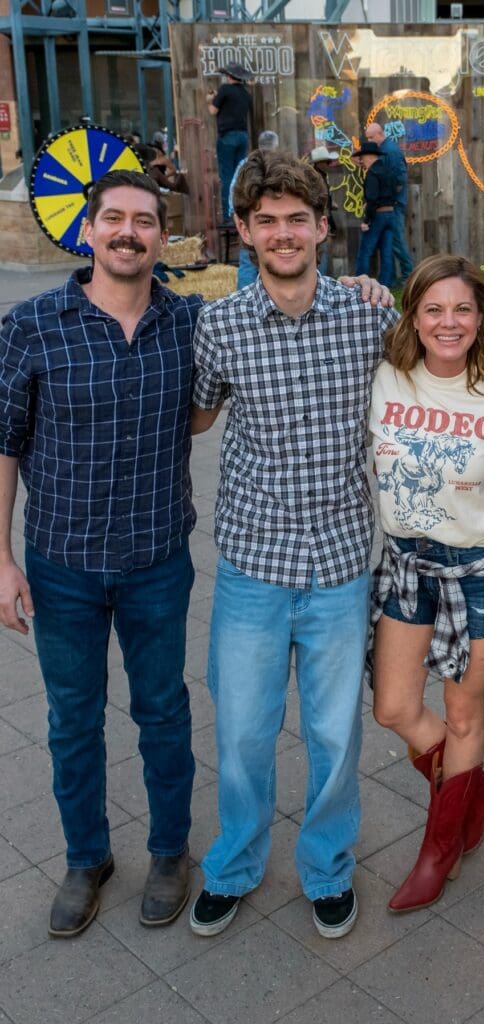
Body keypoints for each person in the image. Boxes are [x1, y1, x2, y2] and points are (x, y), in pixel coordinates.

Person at [188, 150, 398, 941]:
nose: (282, 234)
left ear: (320, 228)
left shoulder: (369, 316)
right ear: (244, 232)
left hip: (341, 562)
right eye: (265, 221)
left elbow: (437, 381)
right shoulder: (221, 325)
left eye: (296, 220)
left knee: (335, 733)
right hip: (253, 564)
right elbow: (198, 417)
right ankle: (235, 864)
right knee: (242, 730)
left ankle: (327, 868)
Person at [0, 170, 201, 937]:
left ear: (160, 236)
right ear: (87, 232)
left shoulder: (187, 323)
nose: (127, 231)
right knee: (72, 719)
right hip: (62, 563)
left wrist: (365, 287)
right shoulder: (33, 325)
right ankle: (87, 858)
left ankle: (168, 851)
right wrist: (1, 559)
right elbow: (4, 443)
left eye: (143, 221)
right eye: (112, 218)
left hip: (156, 558)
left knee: (163, 712)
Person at [369, 254, 484, 913]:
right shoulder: (384, 375)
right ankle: (477, 794)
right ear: (412, 315)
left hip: (483, 571)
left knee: (464, 714)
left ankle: (439, 850)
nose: (448, 321)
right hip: (408, 563)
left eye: (462, 309)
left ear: (480, 317)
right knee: (394, 708)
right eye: (433, 308)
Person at [229, 130, 280, 288]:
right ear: (276, 145)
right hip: (273, 220)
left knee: (248, 261)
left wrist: (237, 217)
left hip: (249, 219)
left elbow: (232, 192)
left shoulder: (244, 164)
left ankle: (244, 306)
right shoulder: (278, 165)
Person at [365, 120, 414, 282]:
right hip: (389, 205)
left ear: (380, 134)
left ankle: (409, 275)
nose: (369, 141)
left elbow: (400, 179)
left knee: (397, 242)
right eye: (368, 138)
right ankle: (391, 279)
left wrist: (390, 201)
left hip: (393, 206)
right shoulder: (384, 150)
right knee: (388, 242)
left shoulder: (390, 151)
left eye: (371, 137)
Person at [207, 62, 253, 220]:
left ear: (228, 76)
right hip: (243, 135)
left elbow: (213, 110)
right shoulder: (246, 94)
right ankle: (241, 212)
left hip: (228, 136)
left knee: (226, 176)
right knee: (239, 175)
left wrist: (211, 99)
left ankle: (228, 215)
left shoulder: (225, 89)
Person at [352, 140, 397, 287]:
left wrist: (366, 220)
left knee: (365, 251)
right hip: (391, 214)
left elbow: (372, 199)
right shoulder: (388, 170)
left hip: (378, 215)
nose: (361, 161)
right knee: (387, 252)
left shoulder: (372, 173)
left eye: (362, 158)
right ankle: (386, 285)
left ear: (369, 157)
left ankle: (359, 285)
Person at [310, 145, 339, 276]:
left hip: (316, 220)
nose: (329, 164)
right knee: (322, 253)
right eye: (327, 162)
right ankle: (319, 281)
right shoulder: (318, 179)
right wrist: (332, 224)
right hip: (319, 220)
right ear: (320, 163)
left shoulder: (316, 176)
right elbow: (323, 205)